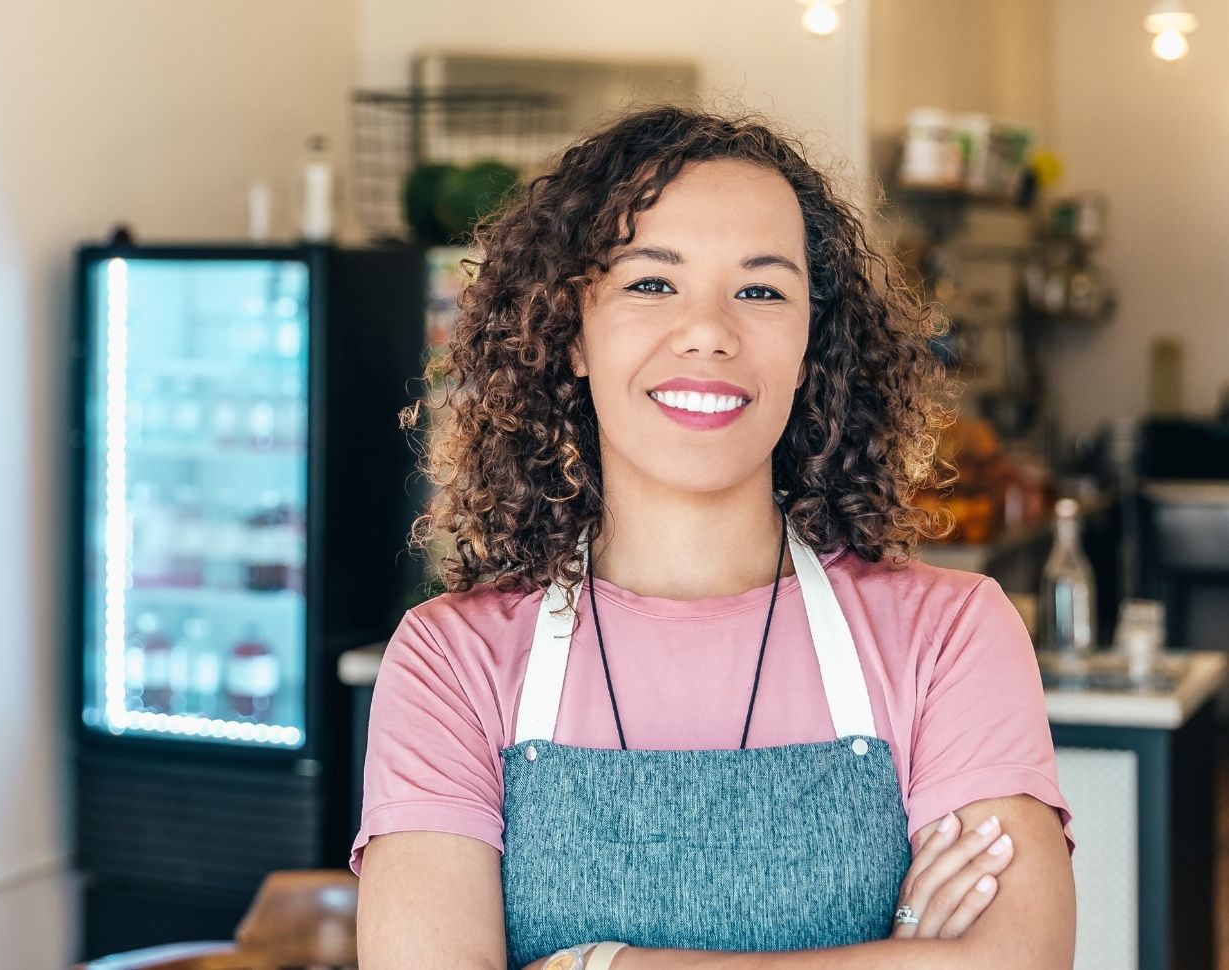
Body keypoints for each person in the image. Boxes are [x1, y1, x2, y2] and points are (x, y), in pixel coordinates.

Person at [351, 104, 1076, 969]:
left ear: (813, 345)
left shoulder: (950, 634)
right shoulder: (452, 661)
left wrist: (605, 965)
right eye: (651, 283)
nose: (708, 331)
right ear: (571, 332)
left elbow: (1019, 960)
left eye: (762, 289)